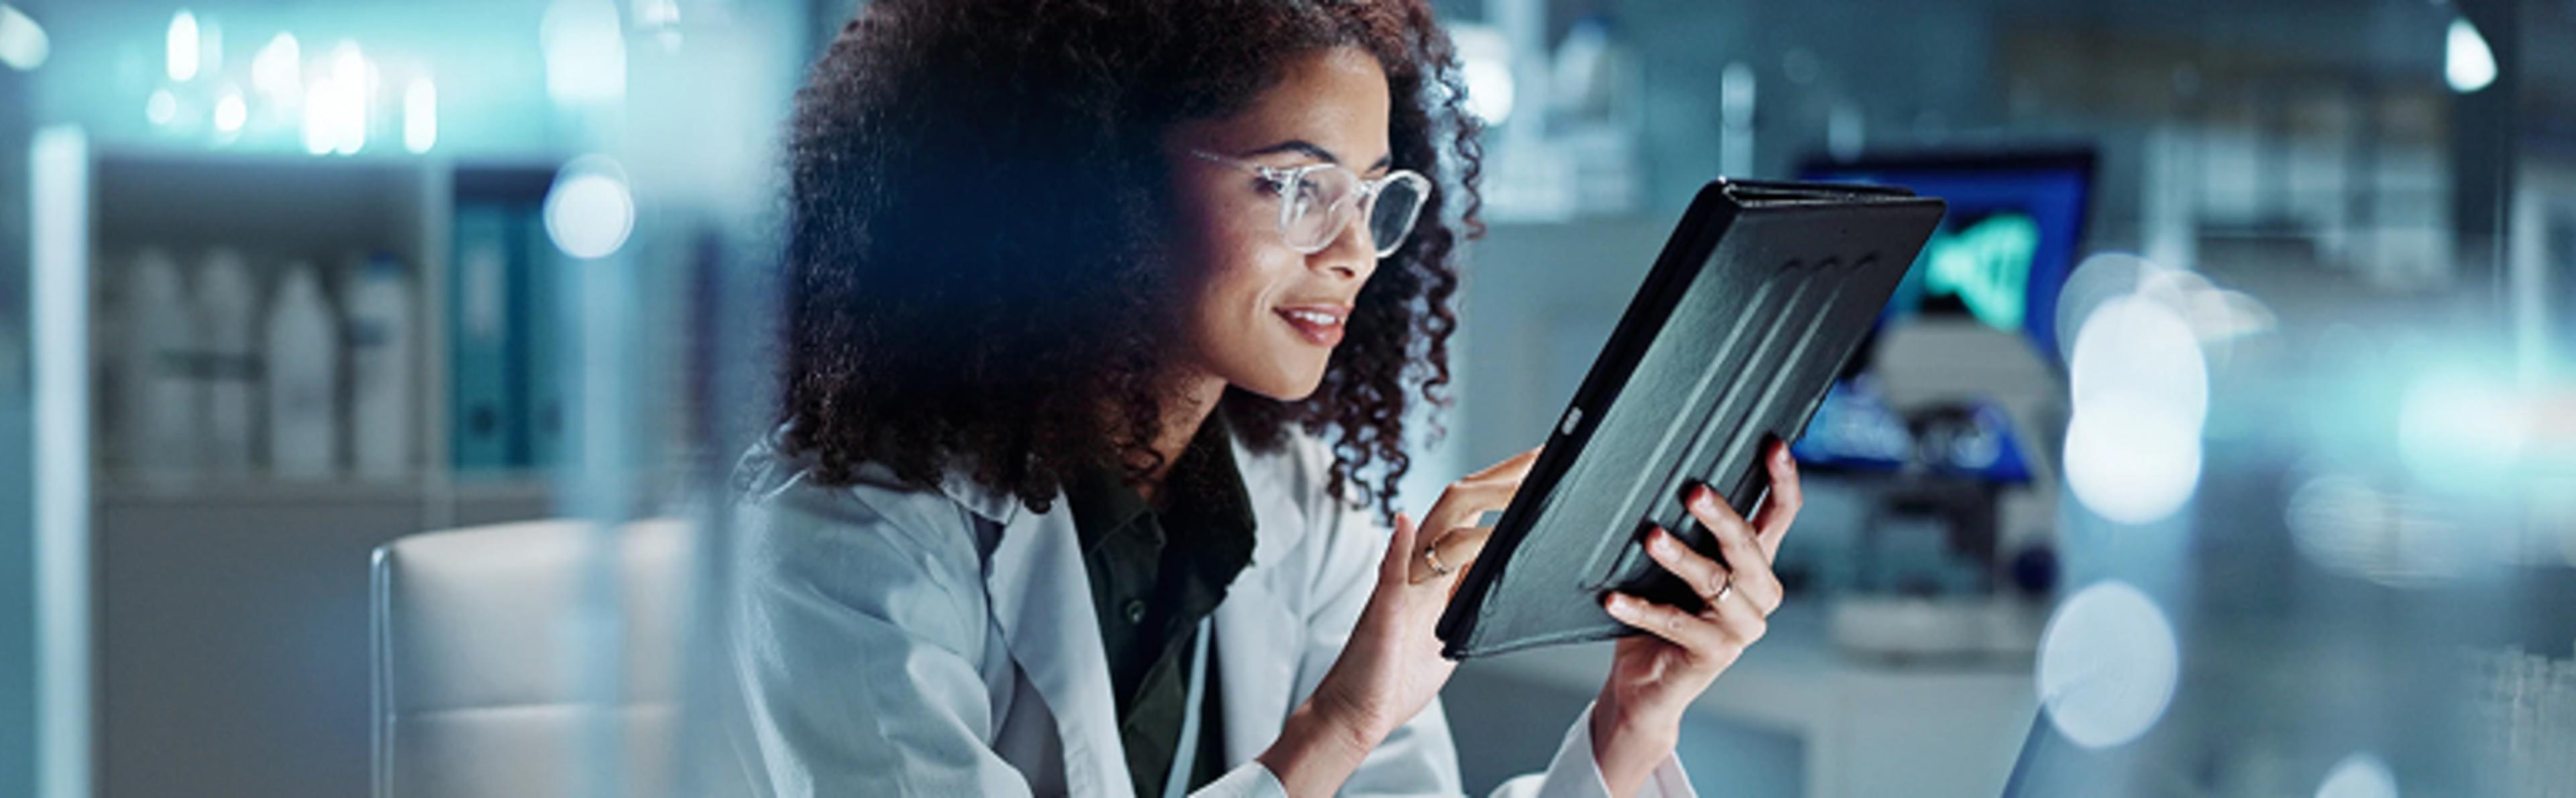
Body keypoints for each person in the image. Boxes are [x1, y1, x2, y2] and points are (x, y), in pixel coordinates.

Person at [727, 1, 1803, 795]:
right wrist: (1334, 726)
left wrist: (1629, 723)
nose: (1355, 252)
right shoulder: (850, 538)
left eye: (1374, 195)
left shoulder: (1303, 507)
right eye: (1297, 185)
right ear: (1102, 181)